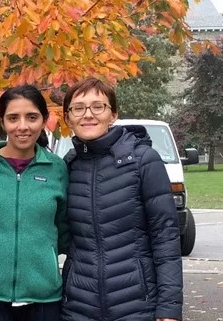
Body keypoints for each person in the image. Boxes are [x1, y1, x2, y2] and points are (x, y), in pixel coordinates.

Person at [61, 77, 183, 321]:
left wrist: (169, 308)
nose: (88, 114)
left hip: (136, 304)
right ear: (67, 118)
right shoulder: (67, 166)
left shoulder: (143, 160)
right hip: (79, 306)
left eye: (98, 106)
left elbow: (165, 236)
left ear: (113, 114)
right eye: (78, 108)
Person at [0, 85, 69, 321]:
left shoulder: (57, 168)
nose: (22, 126)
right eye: (13, 118)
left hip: (44, 297)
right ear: (2, 122)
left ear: (44, 120)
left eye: (31, 117)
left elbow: (63, 227)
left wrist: (43, 261)